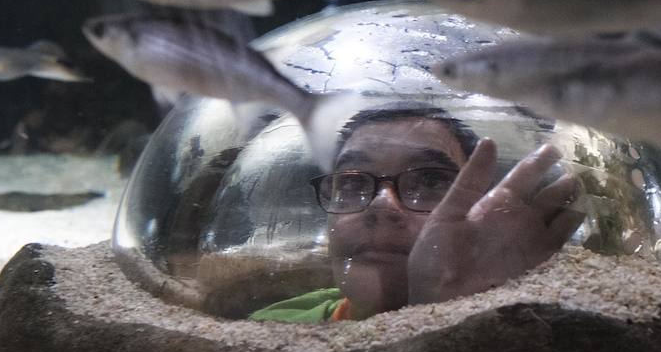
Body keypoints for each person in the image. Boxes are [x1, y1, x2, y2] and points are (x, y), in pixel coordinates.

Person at [249, 104, 584, 322]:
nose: (381, 205)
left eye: (430, 180)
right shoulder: (270, 327)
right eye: (351, 182)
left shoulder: (537, 328)